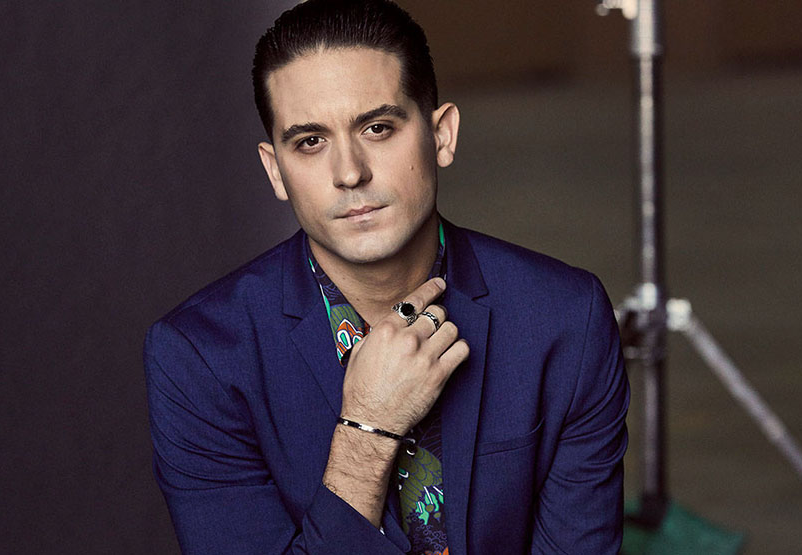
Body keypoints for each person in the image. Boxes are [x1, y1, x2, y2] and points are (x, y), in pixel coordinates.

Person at [143, 1, 629, 553]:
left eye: (377, 128)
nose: (349, 172)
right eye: (310, 142)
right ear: (276, 171)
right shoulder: (200, 357)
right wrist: (368, 430)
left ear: (441, 135)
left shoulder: (565, 319)